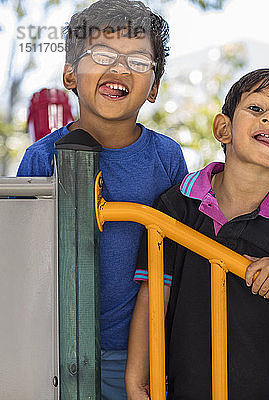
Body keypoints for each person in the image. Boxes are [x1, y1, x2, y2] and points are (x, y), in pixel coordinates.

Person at [126, 68, 269, 400]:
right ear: (224, 128)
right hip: (189, 390)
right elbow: (153, 298)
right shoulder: (175, 206)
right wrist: (137, 383)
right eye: (256, 109)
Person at [16, 1, 188, 398]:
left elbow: (181, 255)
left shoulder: (167, 158)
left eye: (138, 61)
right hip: (57, 348)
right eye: (102, 56)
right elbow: (25, 262)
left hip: (143, 351)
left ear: (155, 87)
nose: (119, 69)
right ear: (70, 74)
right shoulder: (42, 157)